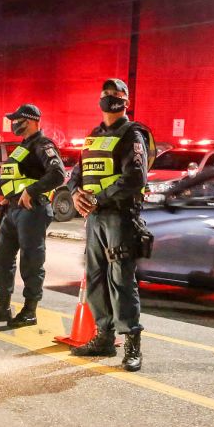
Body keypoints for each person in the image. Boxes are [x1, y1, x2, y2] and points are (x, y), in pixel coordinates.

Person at [67, 78, 149, 372]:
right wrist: (75, 194)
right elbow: (77, 171)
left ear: (126, 101)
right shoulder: (93, 136)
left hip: (119, 217)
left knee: (121, 281)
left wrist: (99, 199)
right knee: (96, 278)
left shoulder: (132, 135)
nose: (110, 98)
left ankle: (131, 344)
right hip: (95, 219)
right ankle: (103, 336)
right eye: (105, 94)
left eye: (116, 94)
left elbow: (135, 178)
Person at [0, 103, 66, 327]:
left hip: (32, 209)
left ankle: (29, 310)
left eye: (18, 119)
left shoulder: (43, 145)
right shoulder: (22, 147)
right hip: (13, 209)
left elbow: (58, 174)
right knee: (2, 259)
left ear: (31, 120)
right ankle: (2, 306)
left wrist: (30, 191)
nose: (14, 123)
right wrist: (7, 195)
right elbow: (14, 176)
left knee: (31, 261)